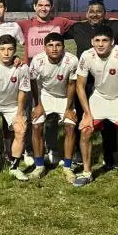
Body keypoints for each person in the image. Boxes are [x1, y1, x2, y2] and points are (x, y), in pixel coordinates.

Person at [74, 25, 118, 193]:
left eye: (105, 41)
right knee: (85, 131)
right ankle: (87, 172)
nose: (100, 44)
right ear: (92, 41)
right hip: (100, 98)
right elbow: (80, 86)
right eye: (97, 40)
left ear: (112, 42)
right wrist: (87, 114)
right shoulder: (87, 55)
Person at [67, 0, 118, 170]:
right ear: (86, 13)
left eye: (99, 11)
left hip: (108, 79)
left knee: (108, 118)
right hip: (85, 80)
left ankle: (109, 155)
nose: (95, 14)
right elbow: (55, 30)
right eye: (91, 11)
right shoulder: (77, 28)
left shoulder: (116, 26)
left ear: (105, 13)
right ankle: (80, 151)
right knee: (82, 114)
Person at [28, 32, 78, 181]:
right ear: (44, 48)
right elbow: (34, 84)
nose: (54, 48)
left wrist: (69, 108)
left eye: (58, 45)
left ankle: (67, 167)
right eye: (50, 45)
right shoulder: (37, 61)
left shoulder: (72, 60)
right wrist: (38, 105)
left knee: (70, 127)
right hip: (45, 96)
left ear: (63, 47)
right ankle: (39, 166)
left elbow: (71, 84)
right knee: (36, 126)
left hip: (64, 97)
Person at [0, 35, 32, 181]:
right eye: (2, 49)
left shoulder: (22, 68)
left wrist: (20, 114)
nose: (6, 53)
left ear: (15, 50)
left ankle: (14, 167)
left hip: (13, 105)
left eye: (10, 49)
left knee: (20, 129)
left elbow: (23, 92)